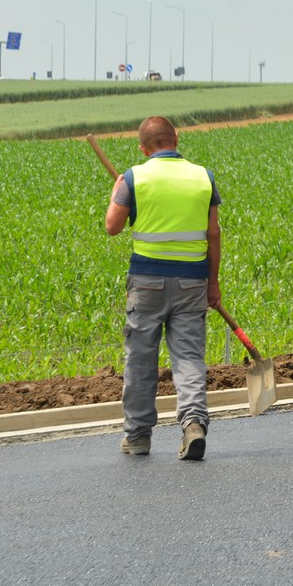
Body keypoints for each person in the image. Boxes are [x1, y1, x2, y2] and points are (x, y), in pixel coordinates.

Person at [103, 116, 221, 461]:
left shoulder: (132, 178)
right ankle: (194, 424)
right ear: (176, 139)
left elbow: (112, 227)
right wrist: (213, 284)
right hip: (192, 282)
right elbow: (213, 234)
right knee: (188, 358)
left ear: (143, 148)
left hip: (147, 283)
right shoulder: (203, 177)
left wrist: (116, 194)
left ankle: (138, 437)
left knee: (141, 360)